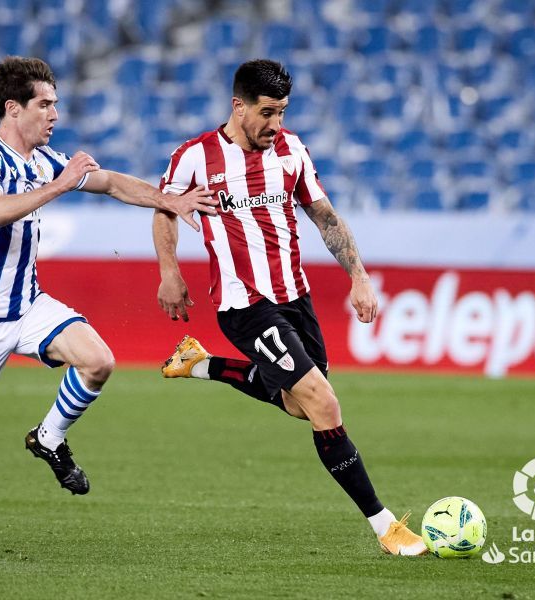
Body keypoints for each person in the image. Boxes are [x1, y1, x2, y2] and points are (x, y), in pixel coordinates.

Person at [0, 56, 216, 545]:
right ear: (13, 109)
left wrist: (167, 199)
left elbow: (109, 182)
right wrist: (58, 186)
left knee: (99, 361)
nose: (54, 114)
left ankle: (49, 437)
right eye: (45, 104)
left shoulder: (42, 160)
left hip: (28, 305)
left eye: (56, 104)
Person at [152, 59, 426, 556]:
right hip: (244, 306)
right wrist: (170, 272)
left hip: (295, 298)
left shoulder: (291, 150)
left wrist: (359, 276)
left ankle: (202, 365)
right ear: (238, 107)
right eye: (267, 112)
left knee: (301, 406)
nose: (275, 124)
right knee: (324, 403)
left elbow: (324, 216)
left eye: (282, 112)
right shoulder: (194, 157)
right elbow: (165, 211)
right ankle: (386, 526)